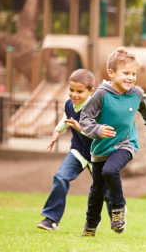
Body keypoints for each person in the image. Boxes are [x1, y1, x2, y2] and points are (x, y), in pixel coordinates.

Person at [79, 48, 146, 236]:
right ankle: (90, 225)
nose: (130, 77)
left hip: (126, 143)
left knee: (110, 170)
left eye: (133, 74)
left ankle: (118, 209)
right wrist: (98, 130)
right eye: (126, 73)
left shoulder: (137, 93)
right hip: (101, 148)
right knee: (97, 190)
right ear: (111, 73)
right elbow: (85, 118)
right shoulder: (101, 94)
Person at [36, 69, 110, 230]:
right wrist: (57, 132)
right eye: (71, 90)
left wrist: (80, 128)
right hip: (78, 152)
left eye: (79, 91)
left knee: (107, 192)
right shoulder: (69, 104)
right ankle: (51, 219)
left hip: (97, 155)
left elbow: (101, 134)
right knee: (60, 177)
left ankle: (117, 215)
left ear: (91, 91)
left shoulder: (96, 108)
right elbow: (65, 118)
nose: (74, 95)